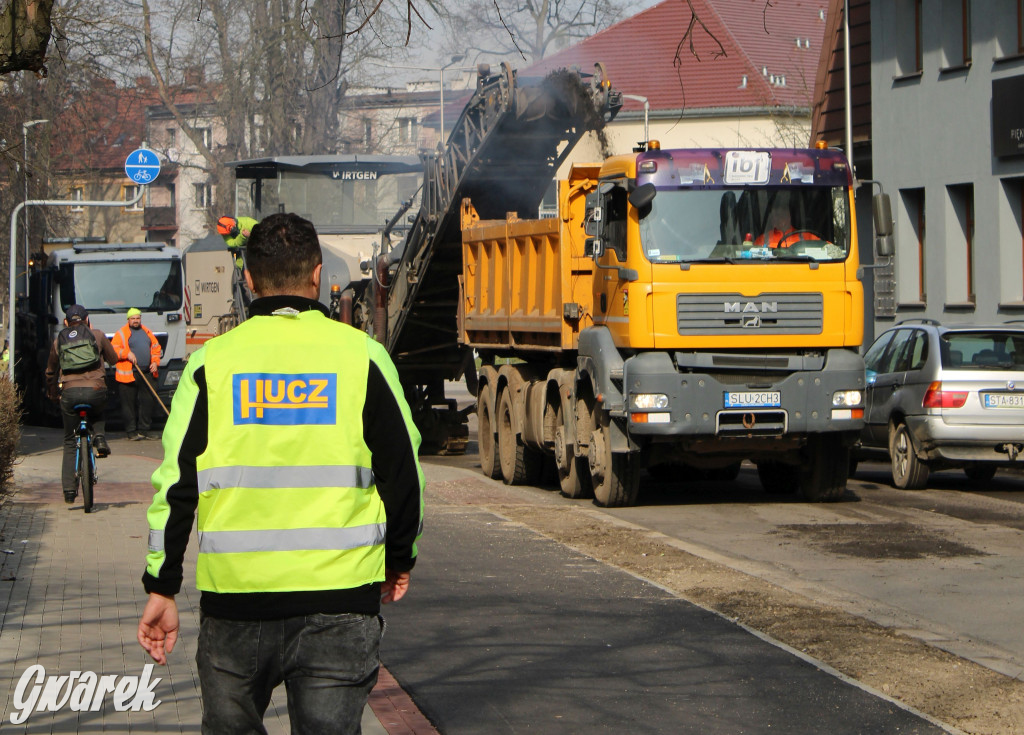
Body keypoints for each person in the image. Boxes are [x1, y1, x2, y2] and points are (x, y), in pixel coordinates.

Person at [137, 212, 424, 734]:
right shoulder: (362, 357)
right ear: (318, 276)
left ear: (247, 279)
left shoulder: (212, 365)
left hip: (236, 608)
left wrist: (162, 584)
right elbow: (404, 472)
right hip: (340, 604)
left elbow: (174, 483)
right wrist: (400, 556)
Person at [44, 304, 118, 504]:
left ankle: (69, 490)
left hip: (69, 392)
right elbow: (114, 358)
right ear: (87, 320)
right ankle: (100, 437)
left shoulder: (58, 341)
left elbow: (50, 372)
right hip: (95, 390)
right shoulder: (98, 335)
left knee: (69, 440)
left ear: (66, 323)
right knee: (99, 408)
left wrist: (53, 393)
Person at [111, 308, 162, 440]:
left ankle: (144, 430)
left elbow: (156, 348)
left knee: (148, 401)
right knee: (128, 404)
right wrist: (126, 354)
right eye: (133, 318)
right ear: (128, 320)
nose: (135, 321)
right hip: (128, 374)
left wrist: (155, 362)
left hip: (146, 372)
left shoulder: (147, 332)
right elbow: (113, 350)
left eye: (137, 318)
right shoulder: (121, 333)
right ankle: (131, 431)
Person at [755, 197, 819, 249]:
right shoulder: (763, 239)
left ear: (790, 217)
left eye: (783, 215)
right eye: (777, 215)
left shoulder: (805, 236)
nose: (780, 219)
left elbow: (825, 246)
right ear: (772, 218)